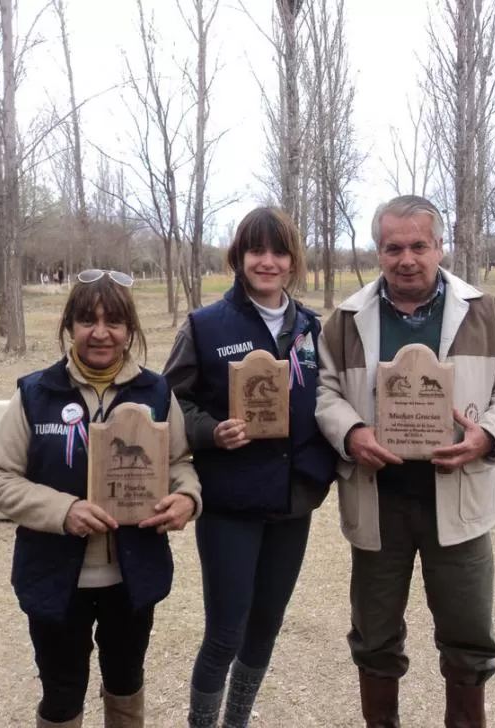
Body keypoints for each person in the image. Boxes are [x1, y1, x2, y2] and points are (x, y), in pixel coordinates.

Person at [315, 195, 495, 728]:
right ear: (378, 252)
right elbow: (324, 392)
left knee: (468, 636)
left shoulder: (482, 311)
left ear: (440, 247)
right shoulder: (346, 320)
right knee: (374, 635)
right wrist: (351, 432)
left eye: (419, 245)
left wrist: (487, 434)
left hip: (457, 501)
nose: (407, 259)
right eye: (394, 248)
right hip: (379, 500)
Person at [0, 269, 202, 728]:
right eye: (87, 320)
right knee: (61, 691)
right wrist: (65, 510)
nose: (100, 333)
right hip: (55, 577)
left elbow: (180, 461)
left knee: (125, 680)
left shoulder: (157, 392)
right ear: (70, 327)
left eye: (114, 321)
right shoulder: (36, 394)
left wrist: (187, 499)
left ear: (129, 331)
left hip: (132, 576)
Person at [163, 207, 338, 728]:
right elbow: (168, 401)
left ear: (292, 261)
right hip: (231, 505)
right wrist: (210, 430)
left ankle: (235, 721)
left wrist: (320, 469)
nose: (267, 261)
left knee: (266, 627)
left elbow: (330, 399)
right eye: (255, 251)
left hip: (292, 502)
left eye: (278, 251)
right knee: (225, 631)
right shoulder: (205, 325)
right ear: (238, 258)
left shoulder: (310, 327)